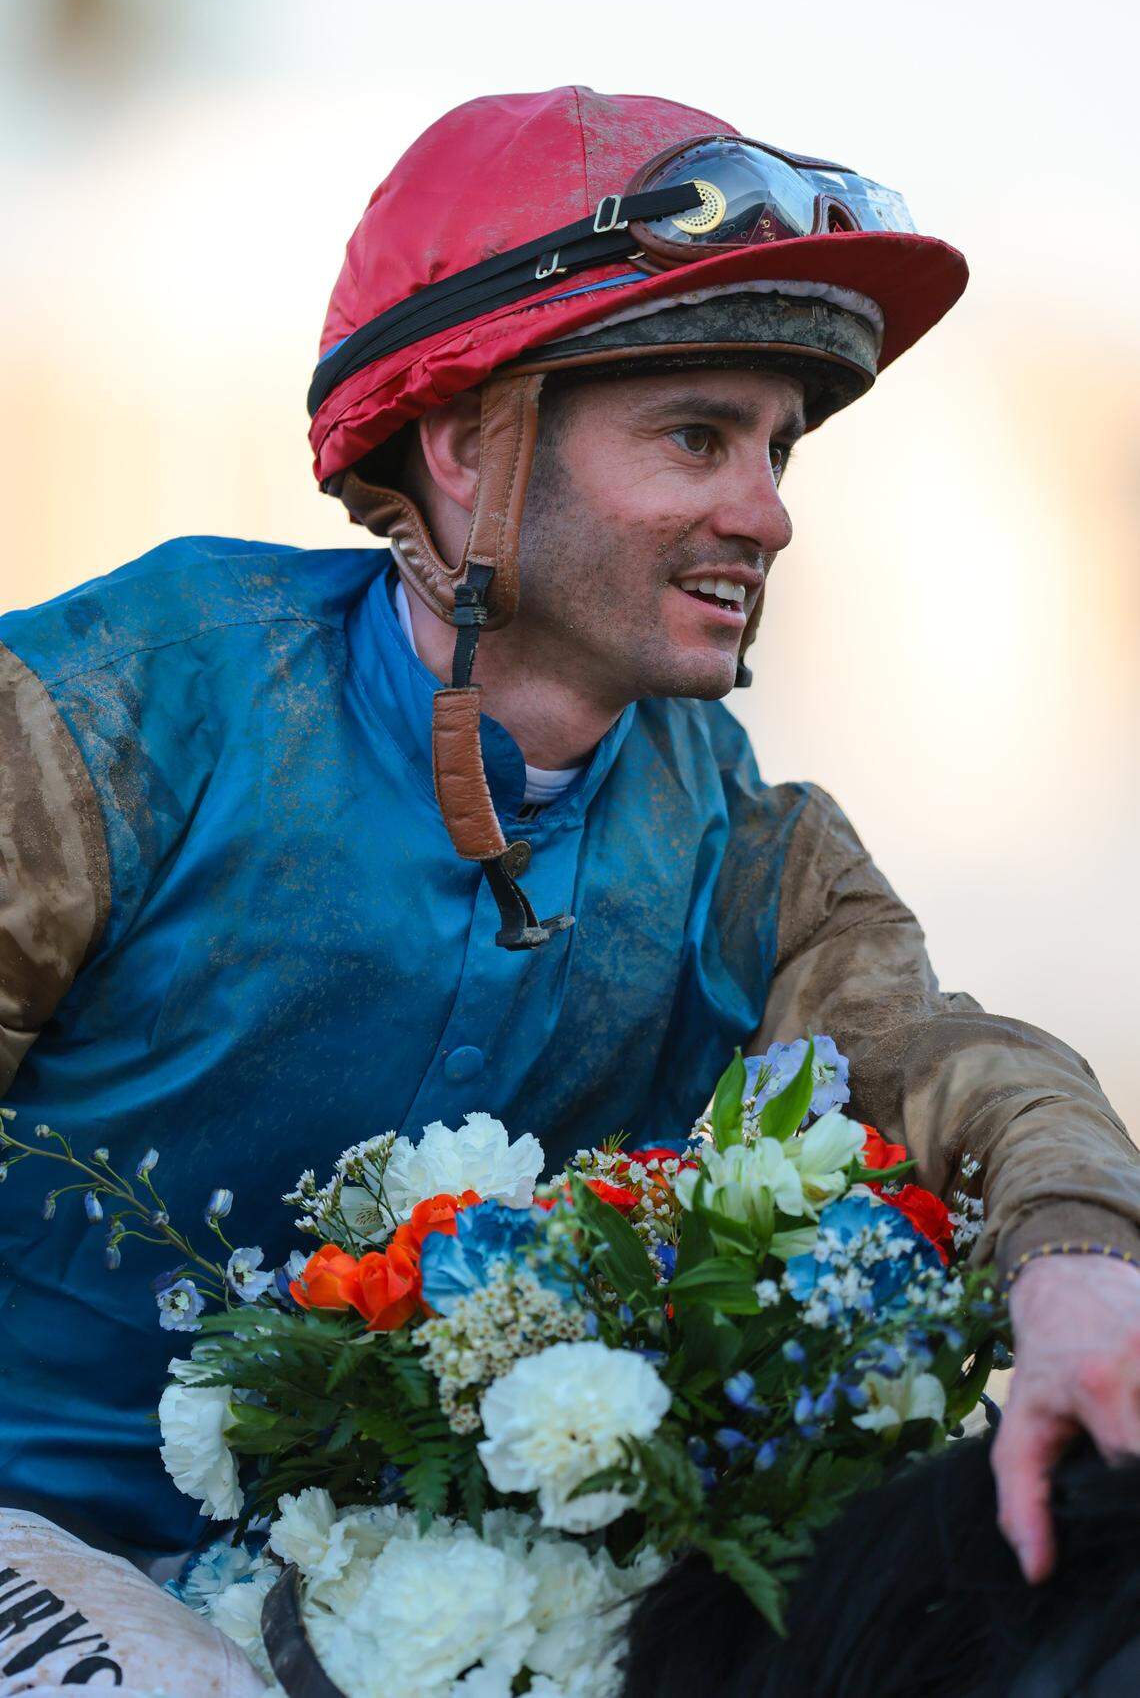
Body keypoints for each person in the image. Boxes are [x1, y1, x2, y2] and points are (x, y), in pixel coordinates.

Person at [2, 87, 1139, 1584]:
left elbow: (949, 1068)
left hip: (426, 1585)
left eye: (777, 452)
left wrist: (1081, 1270)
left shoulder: (745, 836)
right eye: (695, 437)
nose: (769, 514)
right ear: (472, 450)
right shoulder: (115, 707)